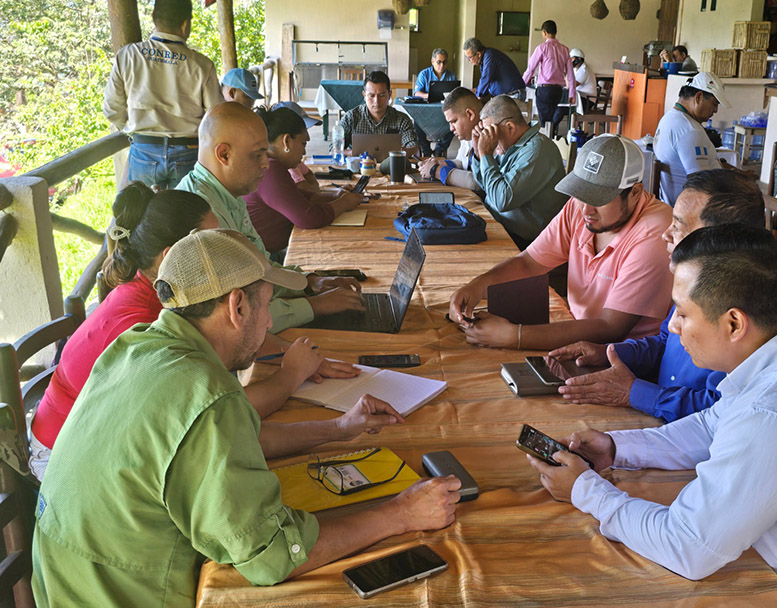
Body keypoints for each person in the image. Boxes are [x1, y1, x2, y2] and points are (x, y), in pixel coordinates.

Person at [31, 228, 463, 606]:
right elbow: (275, 555)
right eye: (267, 304)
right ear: (237, 306)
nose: (270, 321)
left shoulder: (138, 345)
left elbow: (239, 441)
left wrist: (339, 427)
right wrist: (401, 514)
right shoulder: (207, 396)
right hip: (120, 595)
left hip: (63, 584)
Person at [528, 223, 777, 608]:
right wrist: (615, 447)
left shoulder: (772, 416)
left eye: (683, 313)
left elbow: (687, 546)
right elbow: (712, 424)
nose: (673, 326)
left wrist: (585, 491)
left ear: (734, 323)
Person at [27, 184, 368, 479]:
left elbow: (233, 370)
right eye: (207, 241)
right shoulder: (147, 327)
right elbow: (230, 420)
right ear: (171, 256)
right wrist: (291, 376)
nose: (221, 248)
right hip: (65, 461)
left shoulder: (165, 298)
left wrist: (292, 356)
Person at [549, 170, 764, 422]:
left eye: (679, 227)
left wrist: (633, 393)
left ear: (722, 238)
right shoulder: (693, 282)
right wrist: (608, 353)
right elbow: (664, 343)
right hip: (656, 418)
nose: (666, 234)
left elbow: (718, 410)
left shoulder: (747, 314)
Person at [450, 134, 672, 350]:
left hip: (623, 357)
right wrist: (477, 286)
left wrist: (513, 336)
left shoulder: (656, 232)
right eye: (581, 194)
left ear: (635, 193)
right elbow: (529, 263)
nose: (586, 210)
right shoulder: (579, 207)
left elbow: (611, 328)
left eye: (599, 199)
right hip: (579, 333)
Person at [176, 102, 366, 332]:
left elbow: (261, 267)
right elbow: (237, 314)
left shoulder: (229, 193)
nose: (266, 164)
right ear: (224, 154)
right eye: (257, 155)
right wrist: (315, 305)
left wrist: (309, 282)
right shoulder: (201, 214)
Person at [103, 0, 221, 190]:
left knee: (143, 209)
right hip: (188, 153)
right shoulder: (202, 64)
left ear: (153, 18)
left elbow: (112, 109)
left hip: (143, 150)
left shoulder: (128, 55)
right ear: (185, 23)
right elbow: (215, 115)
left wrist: (137, 130)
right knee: (185, 210)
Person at [244, 107, 363, 254]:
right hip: (265, 256)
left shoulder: (273, 165)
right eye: (303, 144)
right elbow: (308, 218)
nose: (305, 152)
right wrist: (343, 203)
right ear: (287, 141)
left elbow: (296, 197)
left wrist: (334, 195)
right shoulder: (270, 169)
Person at [469, 95, 567, 248]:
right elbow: (487, 186)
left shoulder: (536, 150)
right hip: (499, 223)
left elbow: (501, 200)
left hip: (524, 241)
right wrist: (478, 153)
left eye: (491, 132)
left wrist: (486, 154)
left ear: (510, 127)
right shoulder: (514, 145)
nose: (488, 138)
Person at [652, 72, 728, 204]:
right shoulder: (690, 130)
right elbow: (699, 185)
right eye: (714, 104)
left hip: (674, 203)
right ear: (698, 97)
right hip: (692, 208)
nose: (715, 110)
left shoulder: (669, 118)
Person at [418, 87, 482, 191]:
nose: (451, 128)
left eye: (454, 121)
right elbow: (462, 163)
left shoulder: (491, 135)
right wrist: (440, 164)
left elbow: (478, 182)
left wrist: (436, 171)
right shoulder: (468, 133)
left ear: (470, 114)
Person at [339, 71, 418, 157]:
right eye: (371, 96)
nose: (376, 101)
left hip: (391, 164)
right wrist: (352, 153)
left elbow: (414, 149)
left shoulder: (402, 120)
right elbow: (334, 148)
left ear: (389, 95)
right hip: (359, 164)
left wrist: (398, 153)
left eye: (382, 95)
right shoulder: (351, 117)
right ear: (364, 95)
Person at [522, 20, 576, 130]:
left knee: (544, 122)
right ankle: (551, 135)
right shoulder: (565, 50)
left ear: (544, 32)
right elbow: (570, 73)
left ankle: (546, 137)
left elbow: (531, 69)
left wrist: (521, 85)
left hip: (545, 90)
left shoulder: (542, 48)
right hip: (558, 91)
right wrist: (572, 93)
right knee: (551, 120)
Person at [272, 101, 325, 194]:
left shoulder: (293, 159)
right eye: (302, 129)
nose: (307, 136)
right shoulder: (284, 163)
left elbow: (309, 175)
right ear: (286, 140)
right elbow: (308, 191)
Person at [413, 48, 458, 157]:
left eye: (444, 62)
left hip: (444, 111)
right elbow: (417, 93)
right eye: (439, 62)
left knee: (454, 122)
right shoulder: (424, 74)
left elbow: (455, 94)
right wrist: (429, 95)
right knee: (417, 122)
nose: (442, 65)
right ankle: (426, 151)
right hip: (426, 110)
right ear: (432, 61)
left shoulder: (451, 76)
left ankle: (439, 150)